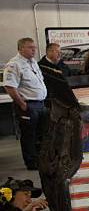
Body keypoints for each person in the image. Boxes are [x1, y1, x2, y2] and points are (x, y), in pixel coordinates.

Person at [3, 38, 48, 170]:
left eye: (34, 47)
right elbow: (10, 87)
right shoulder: (14, 64)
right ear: (20, 48)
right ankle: (31, 162)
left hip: (40, 104)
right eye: (30, 47)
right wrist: (22, 105)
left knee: (41, 134)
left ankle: (40, 159)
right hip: (28, 105)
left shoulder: (33, 62)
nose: (34, 49)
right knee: (29, 135)